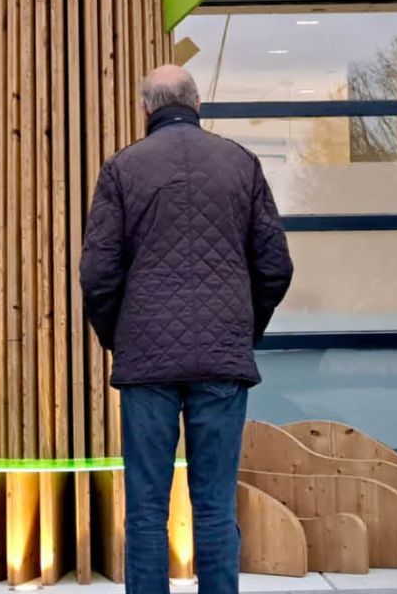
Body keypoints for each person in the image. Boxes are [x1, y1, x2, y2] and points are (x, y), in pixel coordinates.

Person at [80, 65, 294, 594]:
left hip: (146, 361)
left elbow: (98, 274)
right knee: (216, 505)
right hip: (222, 358)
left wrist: (119, 337)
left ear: (145, 109)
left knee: (148, 507)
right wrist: (242, 330)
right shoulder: (240, 164)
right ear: (199, 104)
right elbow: (275, 266)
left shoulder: (122, 169)